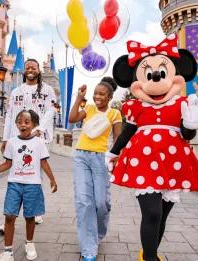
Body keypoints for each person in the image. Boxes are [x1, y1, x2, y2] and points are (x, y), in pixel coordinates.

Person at [106, 34, 198, 261]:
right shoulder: (135, 106)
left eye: (162, 74)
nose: (155, 79)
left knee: (162, 215)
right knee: (152, 212)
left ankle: (148, 253)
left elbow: (186, 134)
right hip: (142, 162)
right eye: (149, 75)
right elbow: (128, 132)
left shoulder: (183, 104)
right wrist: (112, 152)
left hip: (173, 163)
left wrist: (191, 125)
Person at [69, 77, 122, 261]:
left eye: (101, 94)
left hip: (101, 159)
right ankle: (89, 249)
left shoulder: (115, 113)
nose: (97, 96)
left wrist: (115, 160)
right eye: (95, 93)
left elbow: (117, 140)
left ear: (109, 97)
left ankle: (97, 233)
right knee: (84, 202)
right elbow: (72, 118)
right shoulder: (89, 109)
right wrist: (79, 97)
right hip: (81, 157)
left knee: (101, 203)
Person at [0, 58, 56, 231]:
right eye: (27, 67)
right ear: (24, 71)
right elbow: (10, 115)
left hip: (38, 136)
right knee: (16, 173)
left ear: (38, 70)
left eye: (34, 66)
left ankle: (34, 211)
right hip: (16, 138)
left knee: (35, 173)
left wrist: (39, 129)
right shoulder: (16, 91)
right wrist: (5, 138)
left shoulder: (47, 90)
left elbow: (52, 110)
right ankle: (11, 214)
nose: (30, 69)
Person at [0, 109, 57, 261]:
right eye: (19, 122)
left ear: (34, 124)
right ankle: (8, 251)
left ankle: (29, 243)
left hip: (33, 185)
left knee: (30, 217)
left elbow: (43, 162)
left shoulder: (39, 142)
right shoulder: (11, 142)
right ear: (16, 124)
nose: (23, 125)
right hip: (14, 185)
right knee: (9, 216)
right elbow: (7, 164)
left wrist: (52, 179)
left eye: (27, 122)